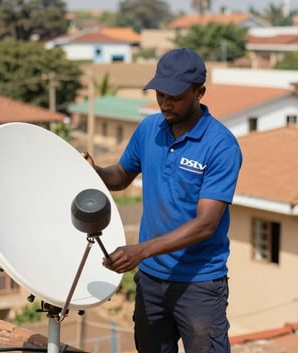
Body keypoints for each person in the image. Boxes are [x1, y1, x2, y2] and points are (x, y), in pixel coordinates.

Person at [83, 48, 242, 353]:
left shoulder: (221, 146)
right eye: (160, 94)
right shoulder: (148, 130)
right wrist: (96, 171)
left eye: (176, 96)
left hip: (199, 284)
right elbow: (121, 176)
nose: (165, 103)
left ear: (199, 92)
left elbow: (205, 225)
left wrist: (140, 251)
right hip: (151, 281)